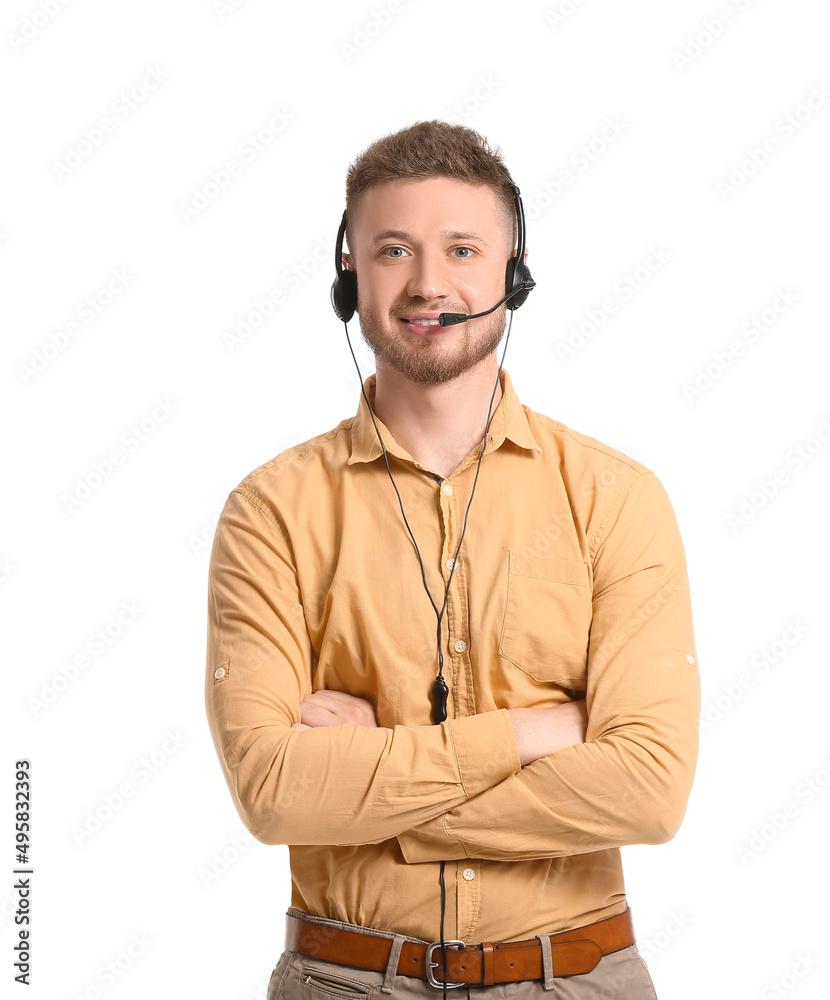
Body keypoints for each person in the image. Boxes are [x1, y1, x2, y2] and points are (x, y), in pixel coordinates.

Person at [204, 120, 700, 1000]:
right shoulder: (270, 511)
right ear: (347, 274)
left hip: (576, 978)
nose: (430, 283)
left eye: (463, 249)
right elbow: (275, 791)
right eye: (394, 249)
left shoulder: (616, 497)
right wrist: (538, 732)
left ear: (514, 274)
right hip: (345, 980)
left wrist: (381, 789)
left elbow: (649, 789)